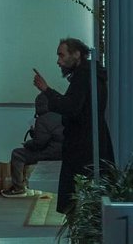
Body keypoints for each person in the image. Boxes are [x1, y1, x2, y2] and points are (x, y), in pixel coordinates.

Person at [32, 37, 115, 214]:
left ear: (76, 54)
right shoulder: (90, 74)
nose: (58, 61)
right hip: (90, 141)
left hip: (83, 145)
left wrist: (47, 90)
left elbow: (71, 107)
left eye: (62, 55)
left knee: (76, 199)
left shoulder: (84, 76)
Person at [2, 93, 64, 197]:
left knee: (17, 154)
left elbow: (39, 144)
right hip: (64, 152)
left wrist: (27, 144)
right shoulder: (63, 115)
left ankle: (19, 189)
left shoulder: (43, 119)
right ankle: (26, 185)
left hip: (50, 153)